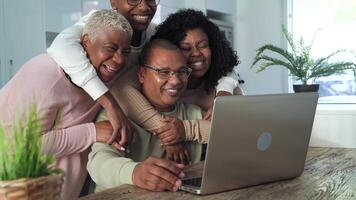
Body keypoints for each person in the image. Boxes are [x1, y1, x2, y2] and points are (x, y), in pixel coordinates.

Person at [48, 1, 241, 162]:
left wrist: (224, 90)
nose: (143, 6)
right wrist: (169, 133)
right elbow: (61, 47)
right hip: (79, 135)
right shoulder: (95, 24)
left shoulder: (154, 36)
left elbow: (241, 131)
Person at [0, 10, 133, 200]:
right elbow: (25, 145)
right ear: (85, 43)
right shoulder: (44, 76)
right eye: (111, 48)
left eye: (125, 51)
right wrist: (92, 132)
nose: (120, 59)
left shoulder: (107, 73)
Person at [87, 39, 203, 192]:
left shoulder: (194, 113)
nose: (175, 81)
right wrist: (134, 173)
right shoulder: (117, 115)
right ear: (141, 75)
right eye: (163, 72)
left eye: (181, 72)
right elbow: (99, 163)